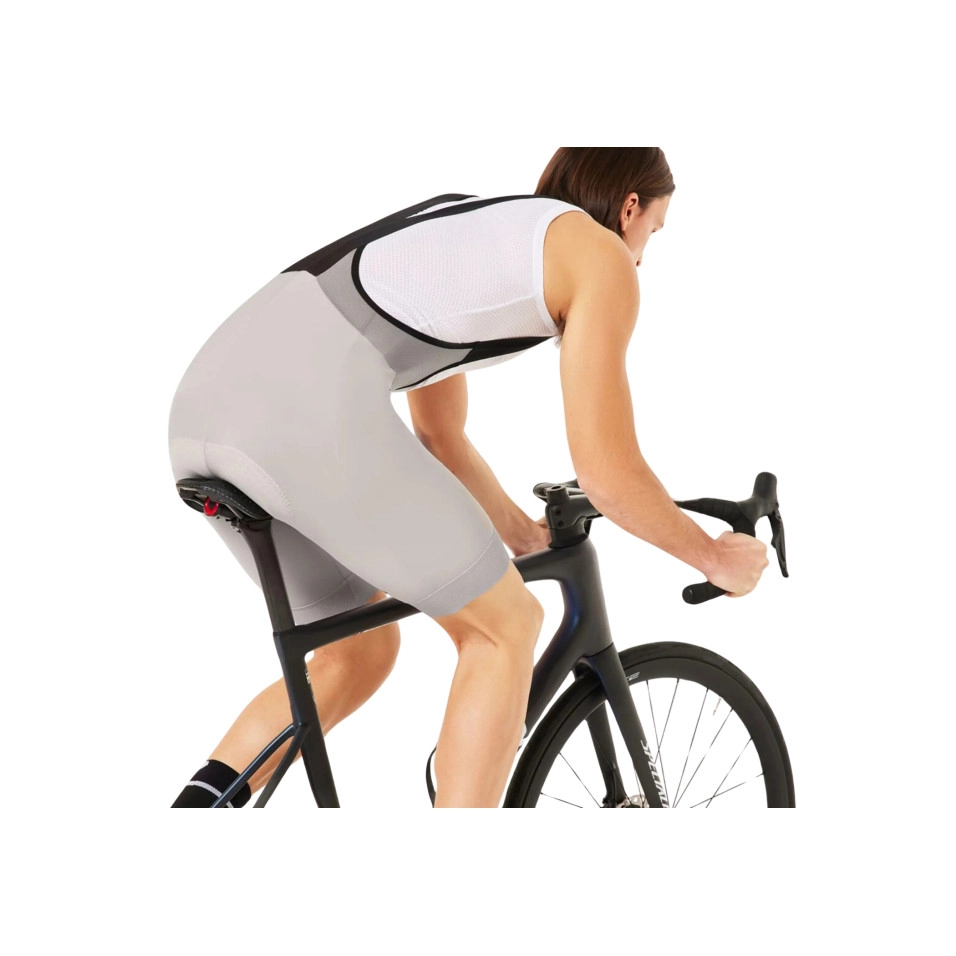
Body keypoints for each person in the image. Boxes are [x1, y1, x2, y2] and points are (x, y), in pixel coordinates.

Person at [168, 147, 768, 809]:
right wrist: (713, 557)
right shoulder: (600, 256)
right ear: (629, 209)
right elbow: (608, 474)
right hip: (300, 408)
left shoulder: (472, 227)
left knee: (357, 655)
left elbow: (440, 433)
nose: (643, 258)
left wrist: (522, 535)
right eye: (654, 231)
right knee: (503, 628)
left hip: (203, 409)